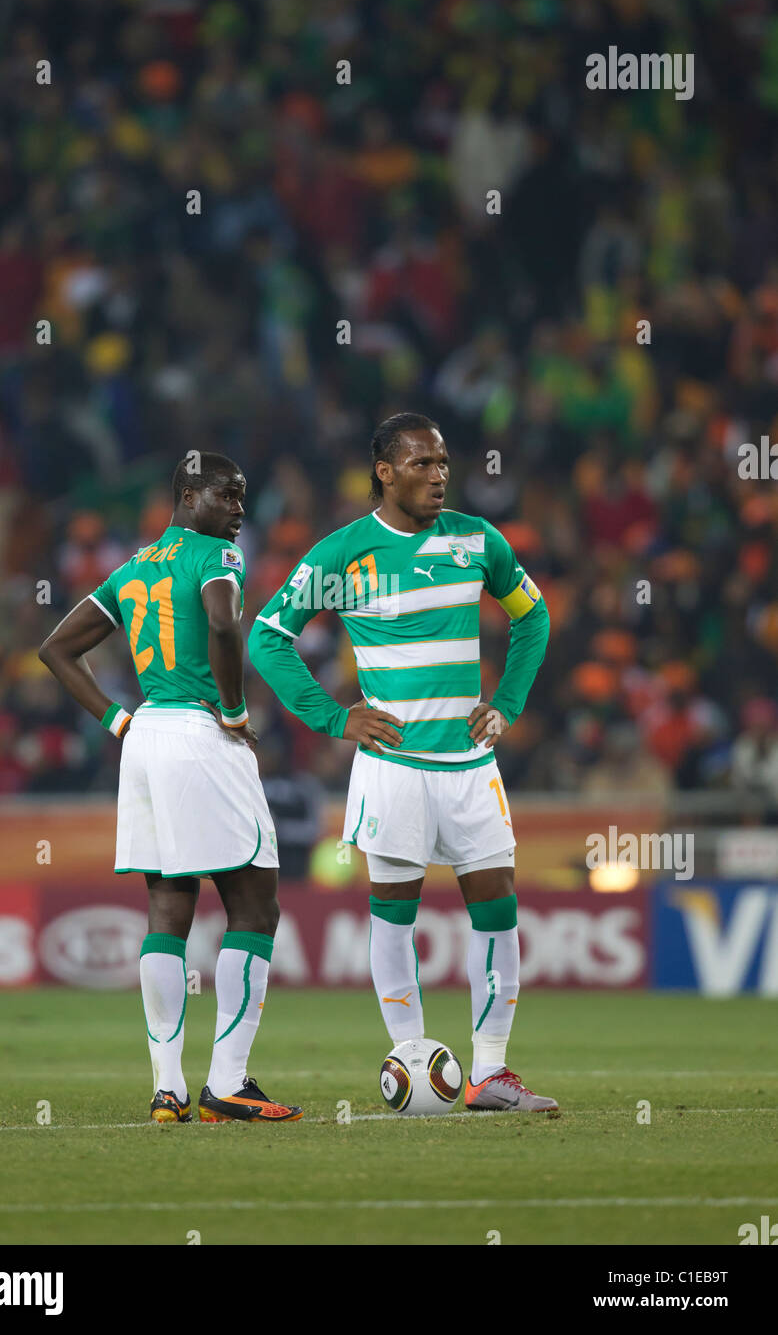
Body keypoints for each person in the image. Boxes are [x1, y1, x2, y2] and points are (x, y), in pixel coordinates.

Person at [249, 413, 558, 1111]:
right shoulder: (343, 554)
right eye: (421, 463)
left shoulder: (477, 542)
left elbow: (532, 617)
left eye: (443, 462)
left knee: (499, 912)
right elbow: (269, 638)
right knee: (394, 915)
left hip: (471, 766)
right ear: (385, 472)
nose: (439, 474)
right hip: (394, 767)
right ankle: (413, 1056)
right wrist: (334, 717)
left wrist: (506, 701)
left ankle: (490, 1073)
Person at [38, 453, 301, 1124]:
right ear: (188, 495)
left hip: (146, 737)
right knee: (255, 904)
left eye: (245, 497)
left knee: (168, 908)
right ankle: (229, 1083)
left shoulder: (134, 566)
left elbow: (57, 649)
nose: (240, 510)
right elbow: (221, 623)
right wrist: (238, 711)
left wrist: (114, 717)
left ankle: (168, 1090)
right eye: (229, 495)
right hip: (199, 734)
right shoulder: (218, 556)